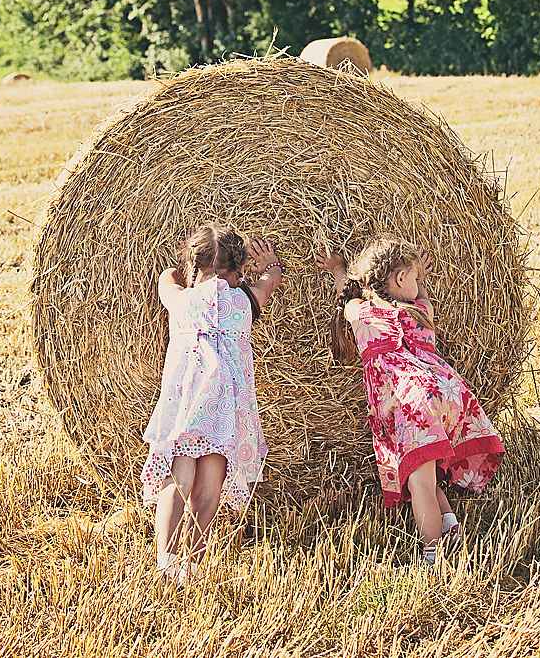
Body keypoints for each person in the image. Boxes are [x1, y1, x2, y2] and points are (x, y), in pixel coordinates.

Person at [316, 234, 503, 565]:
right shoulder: (420, 310)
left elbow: (345, 287)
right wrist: (422, 282)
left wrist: (337, 269)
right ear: (401, 279)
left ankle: (432, 555)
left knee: (420, 487)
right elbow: (418, 296)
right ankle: (450, 531)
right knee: (428, 477)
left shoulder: (359, 311)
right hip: (446, 392)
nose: (418, 282)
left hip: (411, 402)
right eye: (413, 277)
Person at [141, 222, 284, 581]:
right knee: (209, 489)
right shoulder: (244, 301)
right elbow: (270, 282)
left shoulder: (182, 300)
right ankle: (192, 561)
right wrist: (268, 267)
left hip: (187, 406)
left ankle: (166, 559)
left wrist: (179, 268)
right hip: (225, 411)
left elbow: (166, 280)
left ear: (195, 266)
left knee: (178, 479)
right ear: (237, 270)